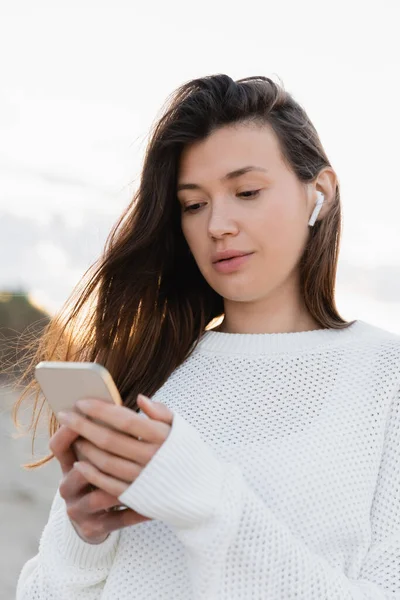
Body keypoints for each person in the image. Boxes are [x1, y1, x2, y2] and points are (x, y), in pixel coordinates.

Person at [15, 74, 400, 599]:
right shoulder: (150, 369)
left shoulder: (384, 374)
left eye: (246, 192)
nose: (218, 223)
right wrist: (84, 536)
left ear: (321, 193)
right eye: (194, 204)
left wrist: (207, 498)